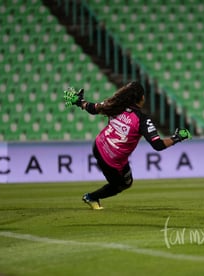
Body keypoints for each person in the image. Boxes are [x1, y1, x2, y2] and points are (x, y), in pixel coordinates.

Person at [63, 81, 192, 210]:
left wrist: (79, 102)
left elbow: (93, 108)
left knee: (125, 179)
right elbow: (158, 145)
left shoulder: (115, 106)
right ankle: (91, 197)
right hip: (111, 160)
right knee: (121, 184)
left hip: (98, 146)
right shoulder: (142, 119)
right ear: (142, 98)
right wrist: (177, 137)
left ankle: (94, 196)